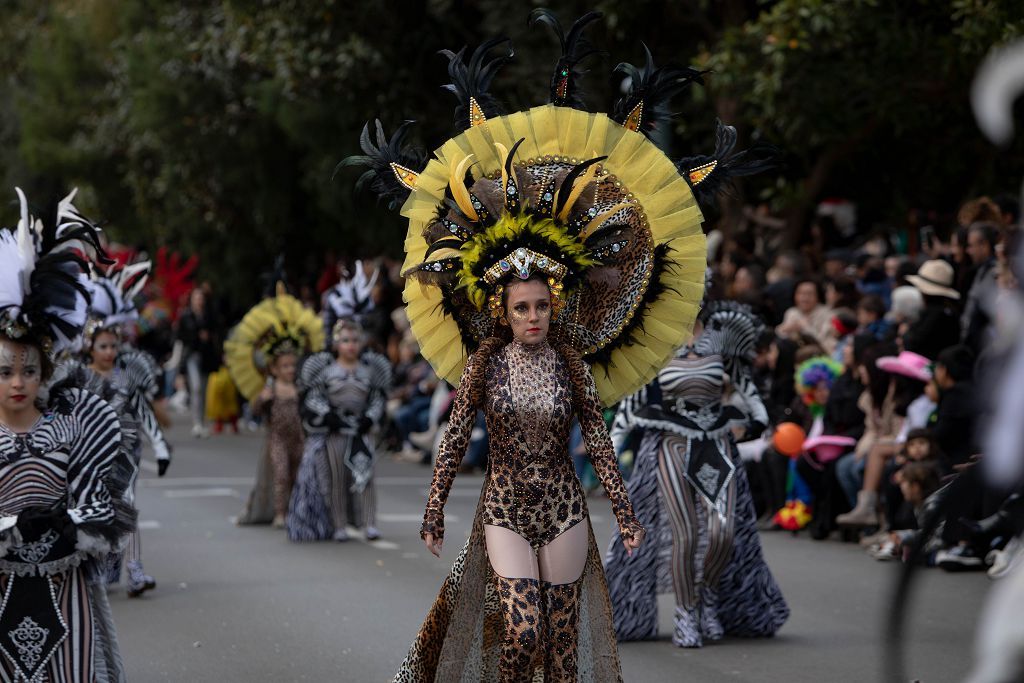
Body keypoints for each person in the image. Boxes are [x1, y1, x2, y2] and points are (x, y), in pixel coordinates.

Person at [0, 188, 135, 681]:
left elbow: (101, 504)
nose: (18, 382)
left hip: (65, 589)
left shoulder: (76, 422)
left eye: (28, 370)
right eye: (5, 371)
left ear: (45, 371)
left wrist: (65, 524)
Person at [605, 301, 788, 647]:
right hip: (671, 444)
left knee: (723, 531)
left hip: (716, 445)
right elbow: (632, 402)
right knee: (685, 535)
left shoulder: (721, 336)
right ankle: (685, 612)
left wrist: (760, 421)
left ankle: (707, 596)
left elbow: (747, 387)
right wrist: (611, 449)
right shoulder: (657, 339)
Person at [67, 261, 173, 598]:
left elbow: (142, 410)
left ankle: (135, 571)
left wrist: (161, 446)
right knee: (95, 510)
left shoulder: (126, 374)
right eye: (103, 346)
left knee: (127, 506)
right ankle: (96, 571)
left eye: (113, 346)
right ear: (90, 347)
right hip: (90, 455)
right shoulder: (78, 377)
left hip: (126, 451)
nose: (110, 352)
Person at [226, 285, 323, 527]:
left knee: (298, 473)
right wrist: (262, 399)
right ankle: (279, 513)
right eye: (285, 366)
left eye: (292, 365)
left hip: (298, 436)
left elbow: (309, 410)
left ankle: (296, 509)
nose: (290, 370)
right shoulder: (271, 388)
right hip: (277, 437)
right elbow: (256, 412)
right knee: (280, 473)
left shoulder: (299, 387)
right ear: (274, 368)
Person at [287, 318, 391, 542]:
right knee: (337, 478)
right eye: (345, 340)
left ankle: (369, 523)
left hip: (361, 432)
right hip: (335, 432)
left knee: (365, 477)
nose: (350, 345)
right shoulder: (326, 370)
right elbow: (313, 398)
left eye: (354, 340)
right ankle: (339, 524)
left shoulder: (369, 370)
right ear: (336, 344)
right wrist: (329, 415)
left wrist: (369, 418)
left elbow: (378, 399)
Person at [176, 287, 222, 437]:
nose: (199, 301)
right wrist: (196, 336)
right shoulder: (186, 316)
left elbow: (218, 333)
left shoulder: (209, 316)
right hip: (191, 355)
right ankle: (196, 423)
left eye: (201, 298)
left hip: (207, 357)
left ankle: (202, 422)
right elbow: (180, 338)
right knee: (196, 388)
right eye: (196, 298)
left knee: (204, 390)